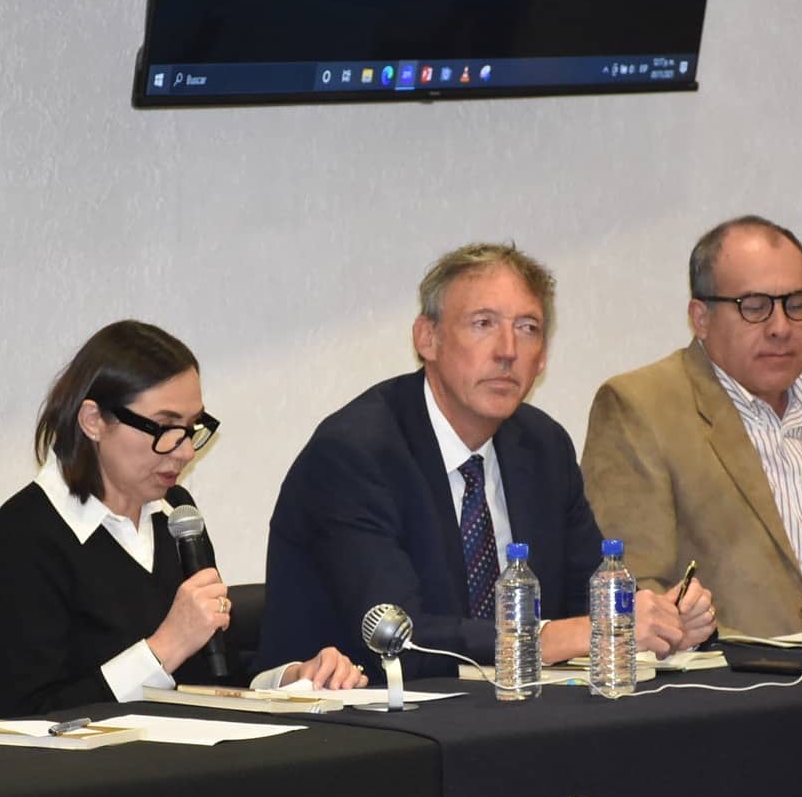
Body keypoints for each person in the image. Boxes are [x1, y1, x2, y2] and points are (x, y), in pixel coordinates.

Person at [260, 242, 715, 681]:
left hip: (514, 713)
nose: (507, 351)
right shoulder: (356, 452)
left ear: (543, 359)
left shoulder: (542, 447)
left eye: (528, 328)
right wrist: (564, 635)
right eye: (483, 324)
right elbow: (398, 637)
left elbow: (587, 600)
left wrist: (661, 620)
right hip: (358, 715)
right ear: (427, 338)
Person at [0, 321, 366, 717]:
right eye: (165, 427)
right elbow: (23, 716)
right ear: (93, 421)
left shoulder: (176, 514)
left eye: (192, 427)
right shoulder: (25, 535)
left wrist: (293, 680)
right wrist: (165, 648)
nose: (185, 451)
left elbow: (213, 682)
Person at [581, 216, 802, 638]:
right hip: (751, 671)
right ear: (701, 318)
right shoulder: (641, 407)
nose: (781, 327)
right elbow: (637, 593)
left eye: (795, 304)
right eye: (755, 306)